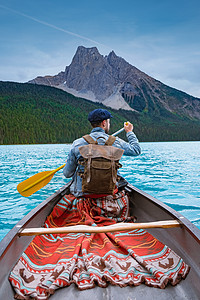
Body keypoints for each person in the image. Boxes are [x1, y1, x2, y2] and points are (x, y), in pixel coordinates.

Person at [63, 108, 141, 196]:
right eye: (108, 122)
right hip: (110, 193)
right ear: (104, 123)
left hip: (82, 193)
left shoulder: (77, 144)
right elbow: (136, 150)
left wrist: (70, 163)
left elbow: (67, 174)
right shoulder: (115, 142)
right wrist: (129, 132)